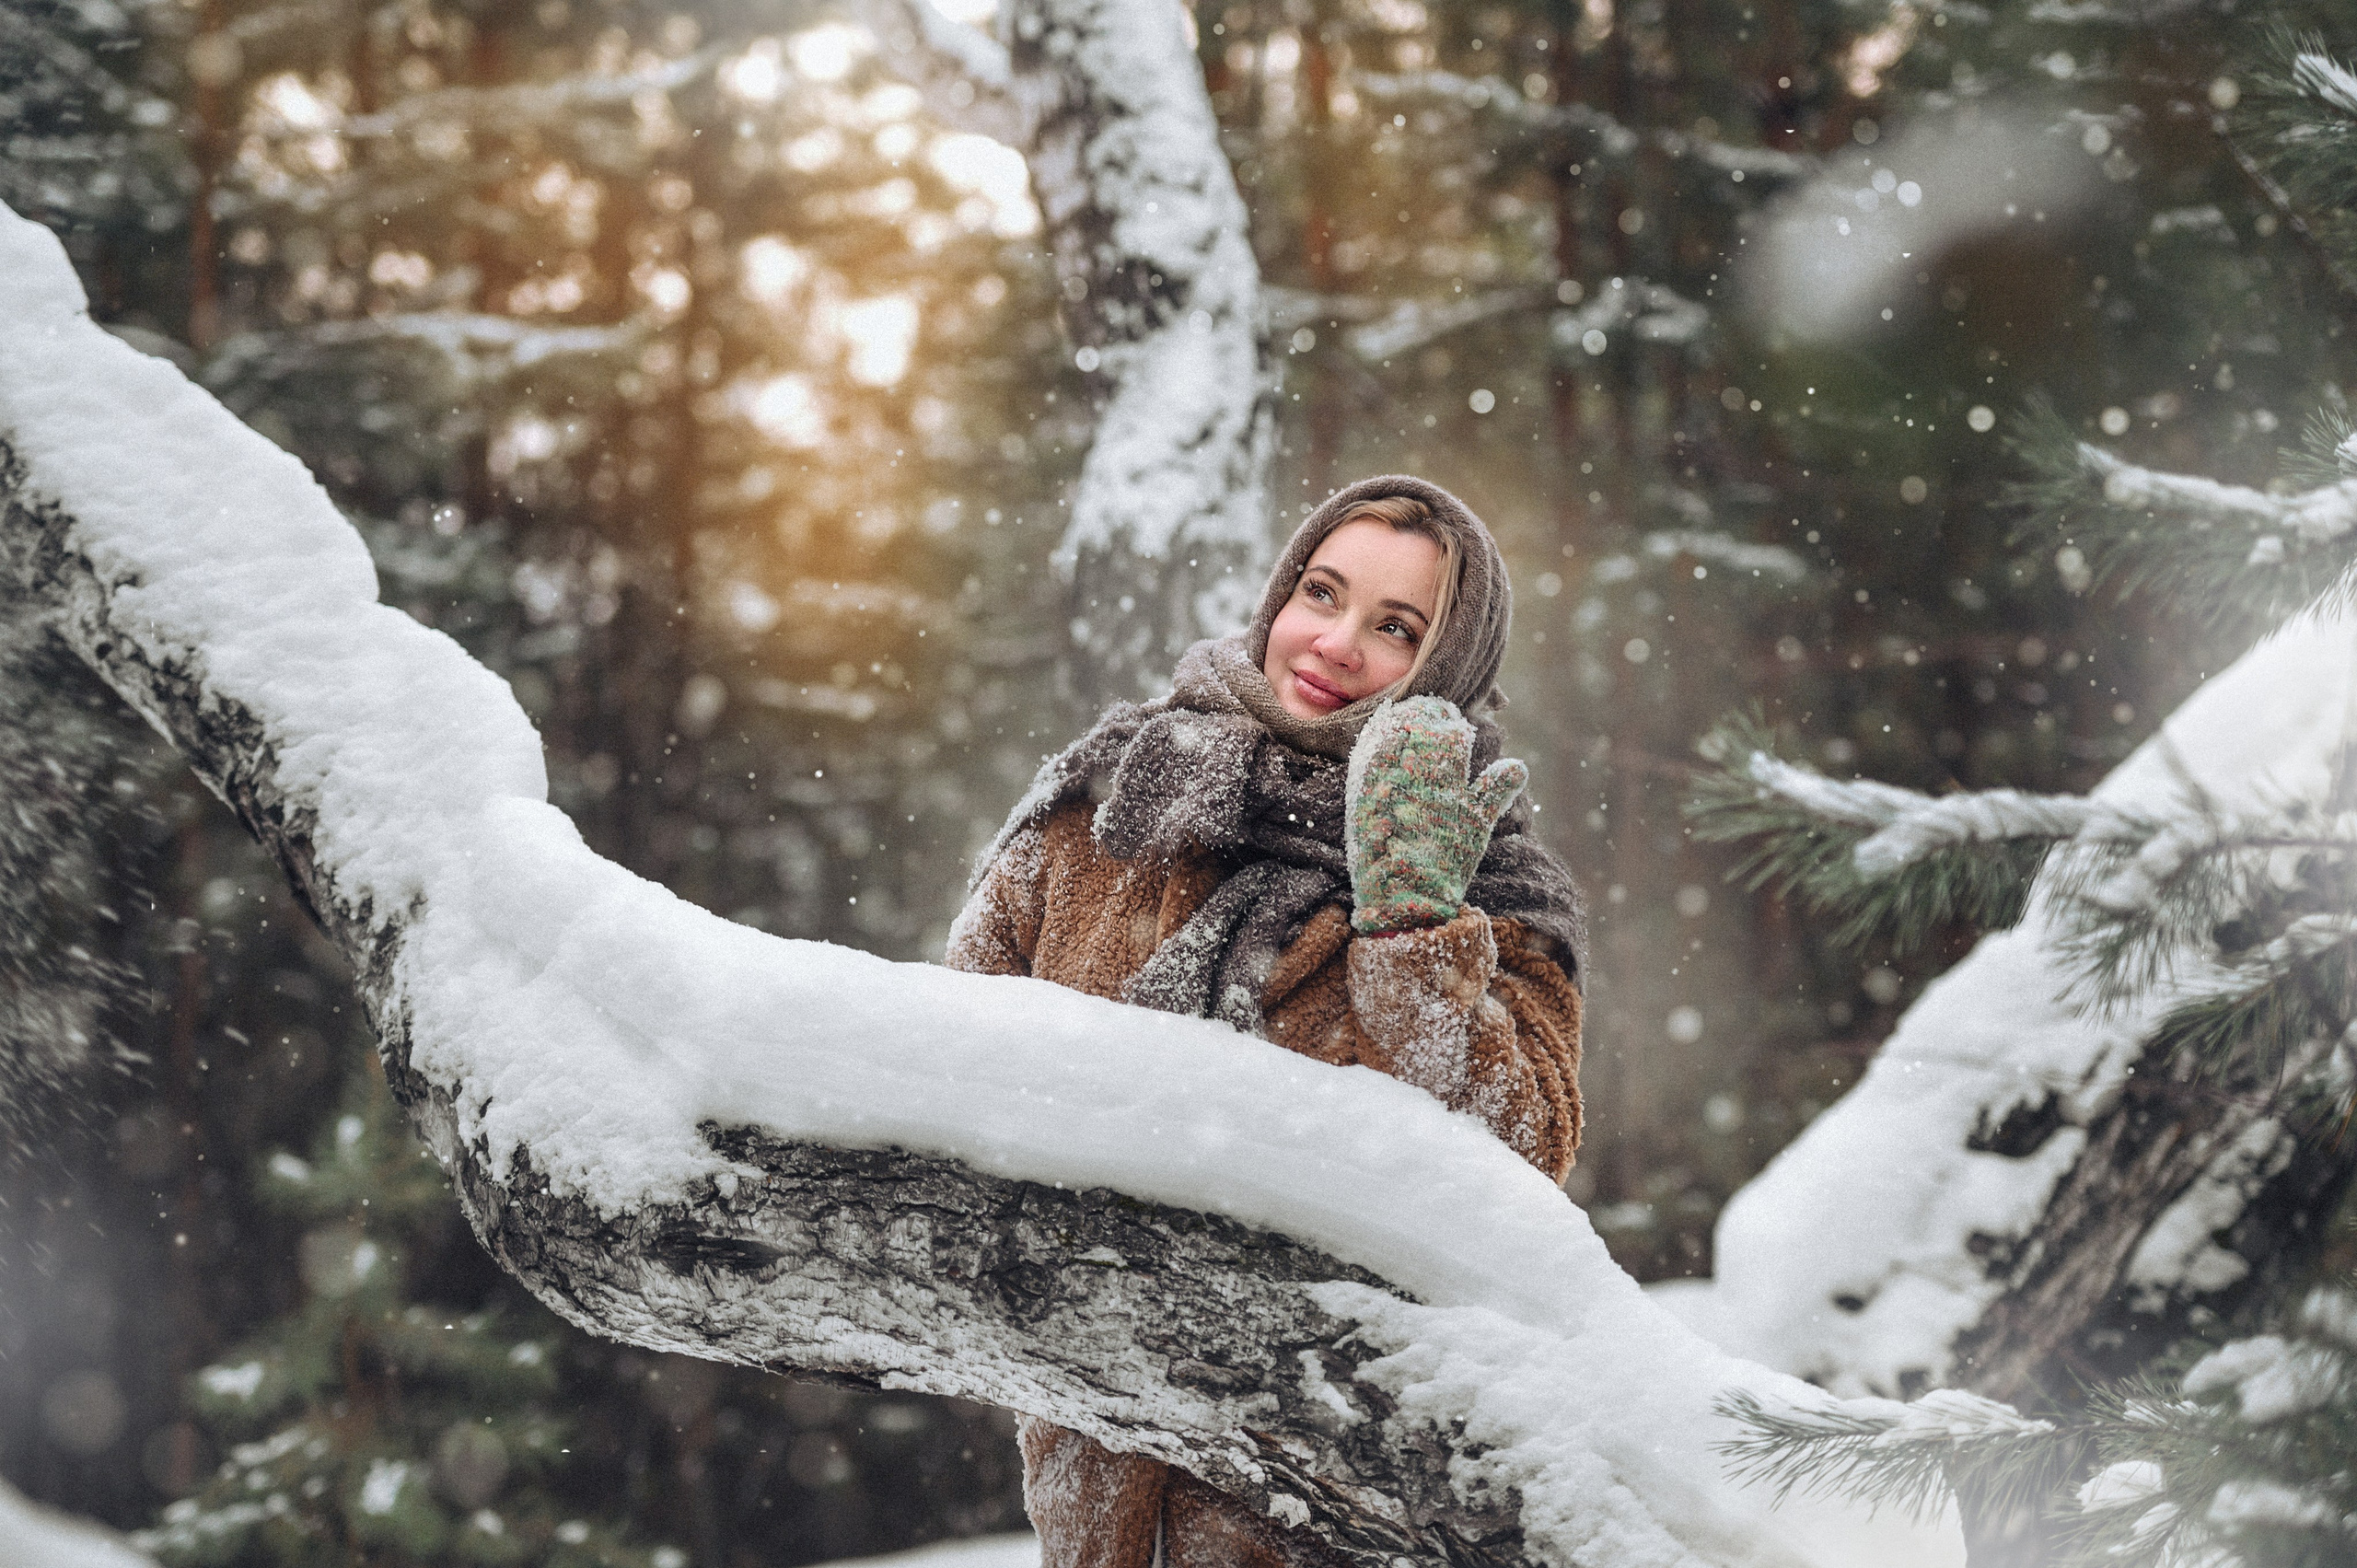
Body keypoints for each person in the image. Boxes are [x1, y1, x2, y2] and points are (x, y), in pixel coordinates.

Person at [945, 474, 1587, 1568]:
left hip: (1337, 1508)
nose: (1335, 644)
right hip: (1093, 1485)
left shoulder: (1489, 872)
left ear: (1450, 668)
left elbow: (1526, 1155)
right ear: (1279, 595)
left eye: (1397, 628)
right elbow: (954, 1063)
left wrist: (1414, 924)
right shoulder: (1108, 800)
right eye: (1322, 593)